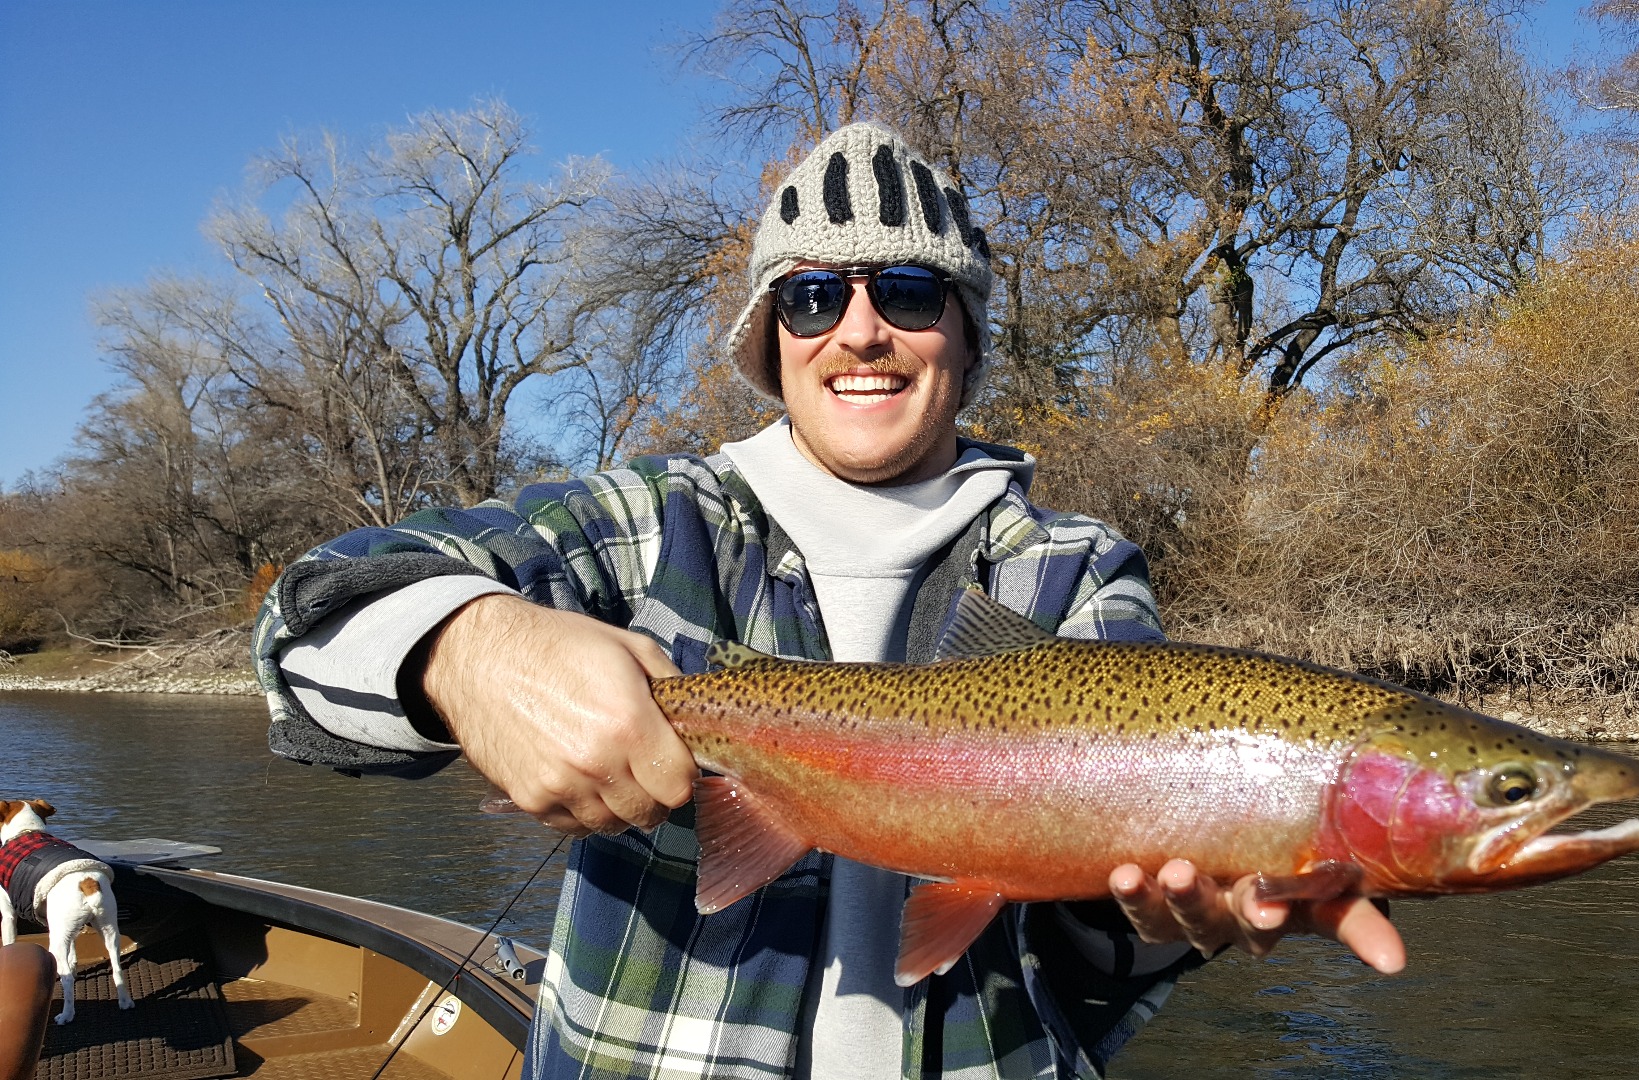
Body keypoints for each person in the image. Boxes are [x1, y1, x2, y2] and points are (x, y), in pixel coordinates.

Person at [255, 122, 1402, 1079]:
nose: (861, 328)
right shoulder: (655, 525)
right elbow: (301, 631)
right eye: (813, 297)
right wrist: (466, 650)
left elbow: (1086, 952)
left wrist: (1161, 926)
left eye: (908, 291)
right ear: (772, 339)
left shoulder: (1075, 571)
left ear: (963, 335)